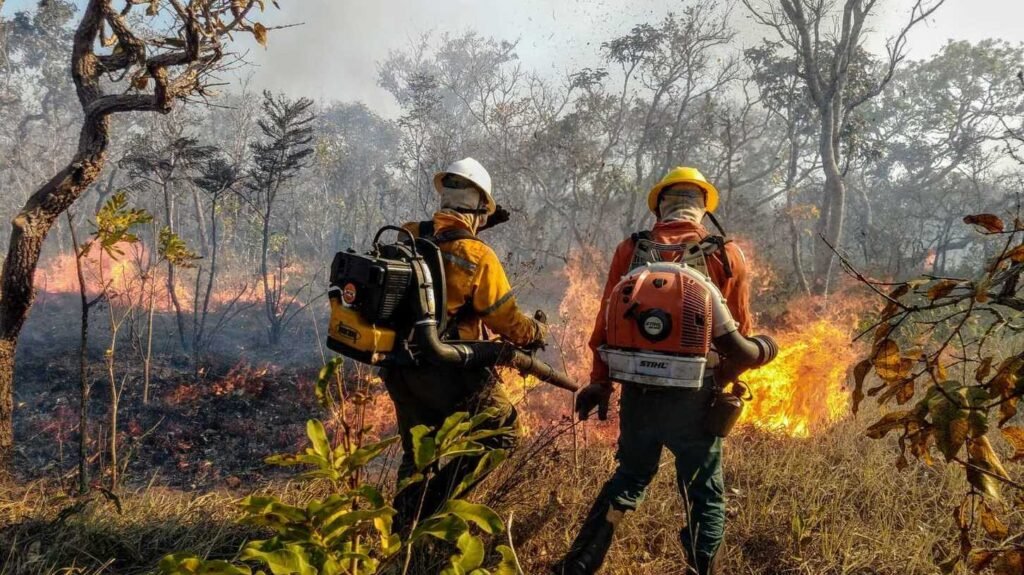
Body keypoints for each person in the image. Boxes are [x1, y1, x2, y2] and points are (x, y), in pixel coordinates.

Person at [554, 166, 753, 575]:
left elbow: (606, 323)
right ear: (703, 208)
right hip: (696, 396)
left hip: (638, 393)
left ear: (660, 207)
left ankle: (579, 565)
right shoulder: (725, 254)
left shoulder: (631, 251)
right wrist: (723, 382)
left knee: (629, 478)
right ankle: (703, 568)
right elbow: (742, 335)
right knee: (703, 493)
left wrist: (600, 382)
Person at [385, 157, 548, 528]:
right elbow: (508, 323)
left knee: (419, 456)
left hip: (400, 366)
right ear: (480, 207)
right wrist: (537, 332)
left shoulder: (409, 234)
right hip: (449, 370)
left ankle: (401, 534)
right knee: (503, 434)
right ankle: (432, 510)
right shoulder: (477, 255)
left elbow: (434, 265)